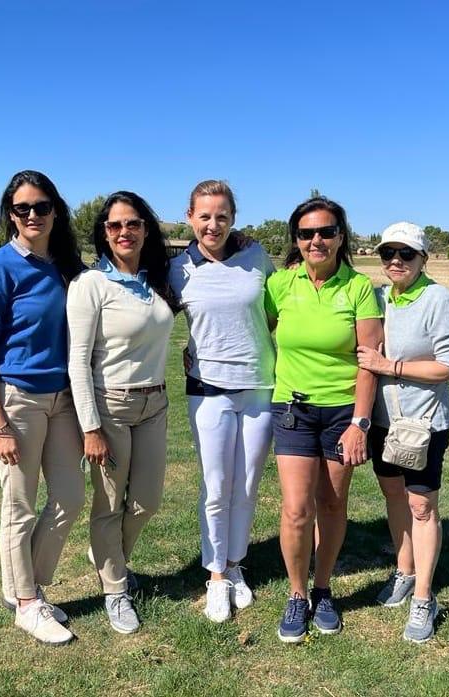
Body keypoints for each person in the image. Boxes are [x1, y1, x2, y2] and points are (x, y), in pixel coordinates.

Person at [0, 170, 85, 646]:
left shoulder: (67, 267)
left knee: (70, 498)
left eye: (41, 206)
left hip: (63, 400)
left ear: (55, 211)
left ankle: (24, 586)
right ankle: (26, 602)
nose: (32, 215)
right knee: (19, 504)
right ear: (10, 215)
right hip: (16, 400)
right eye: (22, 208)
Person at [264, 196, 383, 643]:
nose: (316, 240)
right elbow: (251, 330)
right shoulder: (280, 285)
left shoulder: (359, 288)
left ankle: (323, 588)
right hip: (292, 409)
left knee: (332, 504)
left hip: (341, 414)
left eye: (326, 232)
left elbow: (369, 360)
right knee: (297, 508)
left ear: (340, 237)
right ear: (296, 239)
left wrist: (360, 423)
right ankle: (297, 594)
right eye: (306, 233)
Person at [168, 180, 275, 623]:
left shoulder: (256, 256)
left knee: (246, 486)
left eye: (222, 216)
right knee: (216, 487)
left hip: (259, 387)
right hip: (208, 390)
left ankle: (234, 564)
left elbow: (272, 313)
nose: (213, 225)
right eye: (205, 216)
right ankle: (215, 576)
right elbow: (153, 319)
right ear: (190, 217)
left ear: (234, 218)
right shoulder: (177, 269)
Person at [67, 191, 174, 634]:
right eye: (114, 225)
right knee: (110, 504)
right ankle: (115, 588)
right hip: (111, 405)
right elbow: (78, 361)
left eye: (133, 224)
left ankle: (105, 555)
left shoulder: (156, 280)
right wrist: (90, 427)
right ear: (104, 233)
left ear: (146, 229)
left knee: (147, 501)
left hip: (155, 404)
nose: (124, 232)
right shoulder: (90, 284)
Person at [356, 222, 449, 643]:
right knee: (393, 495)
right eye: (388, 253)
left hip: (422, 424)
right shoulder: (379, 297)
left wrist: (391, 367)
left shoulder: (439, 299)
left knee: (421, 506)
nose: (396, 261)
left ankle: (423, 597)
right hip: (384, 420)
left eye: (406, 254)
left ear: (424, 259)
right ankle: (405, 570)